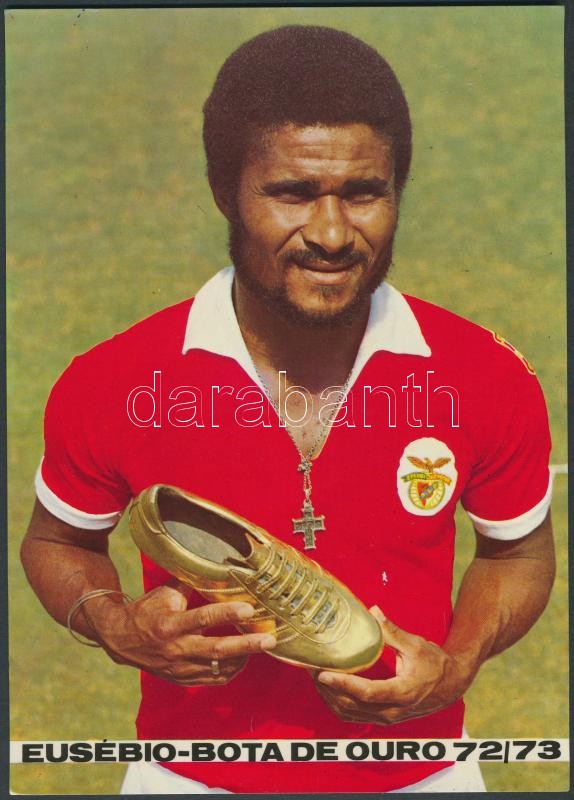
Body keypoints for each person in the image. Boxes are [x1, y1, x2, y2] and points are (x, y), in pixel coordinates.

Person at [21, 25, 555, 794]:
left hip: (419, 777)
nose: (332, 234)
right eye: (293, 193)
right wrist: (115, 625)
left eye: (363, 193)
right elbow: (57, 541)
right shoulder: (115, 381)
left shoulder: (483, 375)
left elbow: (518, 554)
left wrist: (458, 661)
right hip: (190, 779)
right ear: (225, 193)